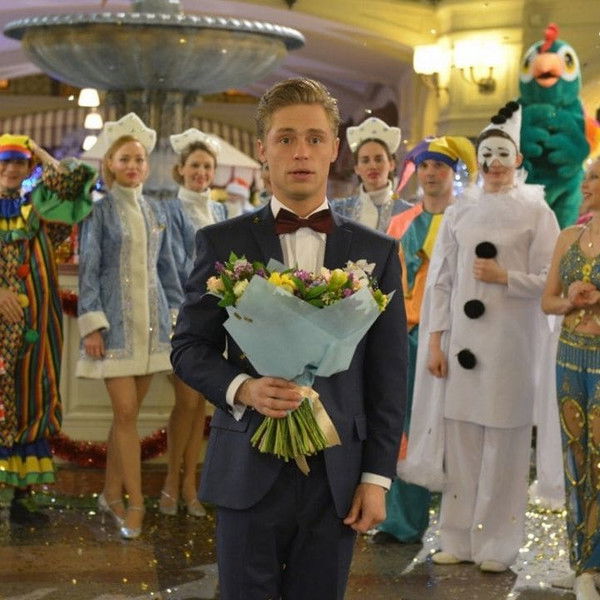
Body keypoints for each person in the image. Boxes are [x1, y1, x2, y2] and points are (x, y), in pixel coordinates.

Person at [171, 77, 407, 600]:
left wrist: (377, 477)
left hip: (337, 475)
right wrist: (243, 388)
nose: (301, 152)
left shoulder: (377, 252)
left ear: (335, 149)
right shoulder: (221, 241)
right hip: (245, 466)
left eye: (314, 138)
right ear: (263, 149)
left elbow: (388, 377)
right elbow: (188, 348)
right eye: (285, 138)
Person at [419, 103, 559, 572]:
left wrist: (505, 277)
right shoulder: (460, 211)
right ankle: (457, 538)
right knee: (461, 446)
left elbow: (550, 278)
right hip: (463, 349)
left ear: (517, 159)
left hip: (511, 347)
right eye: (487, 155)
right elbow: (441, 281)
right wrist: (436, 342)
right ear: (478, 161)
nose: (495, 163)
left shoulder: (537, 212)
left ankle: (498, 545)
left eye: (503, 154)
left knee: (506, 447)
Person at [76, 113, 183, 540]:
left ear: (146, 165)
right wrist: (92, 325)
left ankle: (109, 493)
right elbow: (89, 270)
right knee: (125, 414)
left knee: (128, 415)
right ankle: (135, 503)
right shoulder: (99, 212)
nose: (133, 165)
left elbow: (166, 269)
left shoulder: (156, 210)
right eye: (125, 159)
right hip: (116, 329)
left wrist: (174, 315)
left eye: (139, 159)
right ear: (110, 163)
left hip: (152, 328)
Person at [371, 136, 476, 545]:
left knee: (452, 427)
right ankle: (402, 520)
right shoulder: (401, 223)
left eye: (440, 166)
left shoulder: (466, 221)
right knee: (403, 425)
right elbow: (386, 283)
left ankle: (457, 526)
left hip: (455, 338)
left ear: (454, 173)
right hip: (406, 334)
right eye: (426, 166)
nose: (431, 174)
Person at [0, 133, 96, 524]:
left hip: (36, 325)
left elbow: (73, 181)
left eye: (19, 163)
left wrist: (40, 152)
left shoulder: (40, 209)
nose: (11, 169)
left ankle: (23, 497)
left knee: (31, 398)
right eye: (5, 162)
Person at [158, 128, 226, 517]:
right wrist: (176, 314)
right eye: (195, 166)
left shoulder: (222, 212)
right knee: (186, 401)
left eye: (207, 166)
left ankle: (190, 485)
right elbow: (168, 266)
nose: (201, 172)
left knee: (201, 404)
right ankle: (173, 481)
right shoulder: (169, 211)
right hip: (183, 317)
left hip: (218, 321)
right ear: (181, 169)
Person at [542, 156, 600, 600]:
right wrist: (572, 301)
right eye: (587, 176)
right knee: (576, 458)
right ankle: (581, 564)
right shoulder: (568, 237)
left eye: (595, 177)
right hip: (569, 356)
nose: (586, 184)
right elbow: (548, 300)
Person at [330, 116, 411, 232]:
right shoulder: (339, 210)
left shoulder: (407, 212)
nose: (372, 166)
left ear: (391, 164)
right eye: (365, 160)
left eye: (378, 159)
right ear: (357, 168)